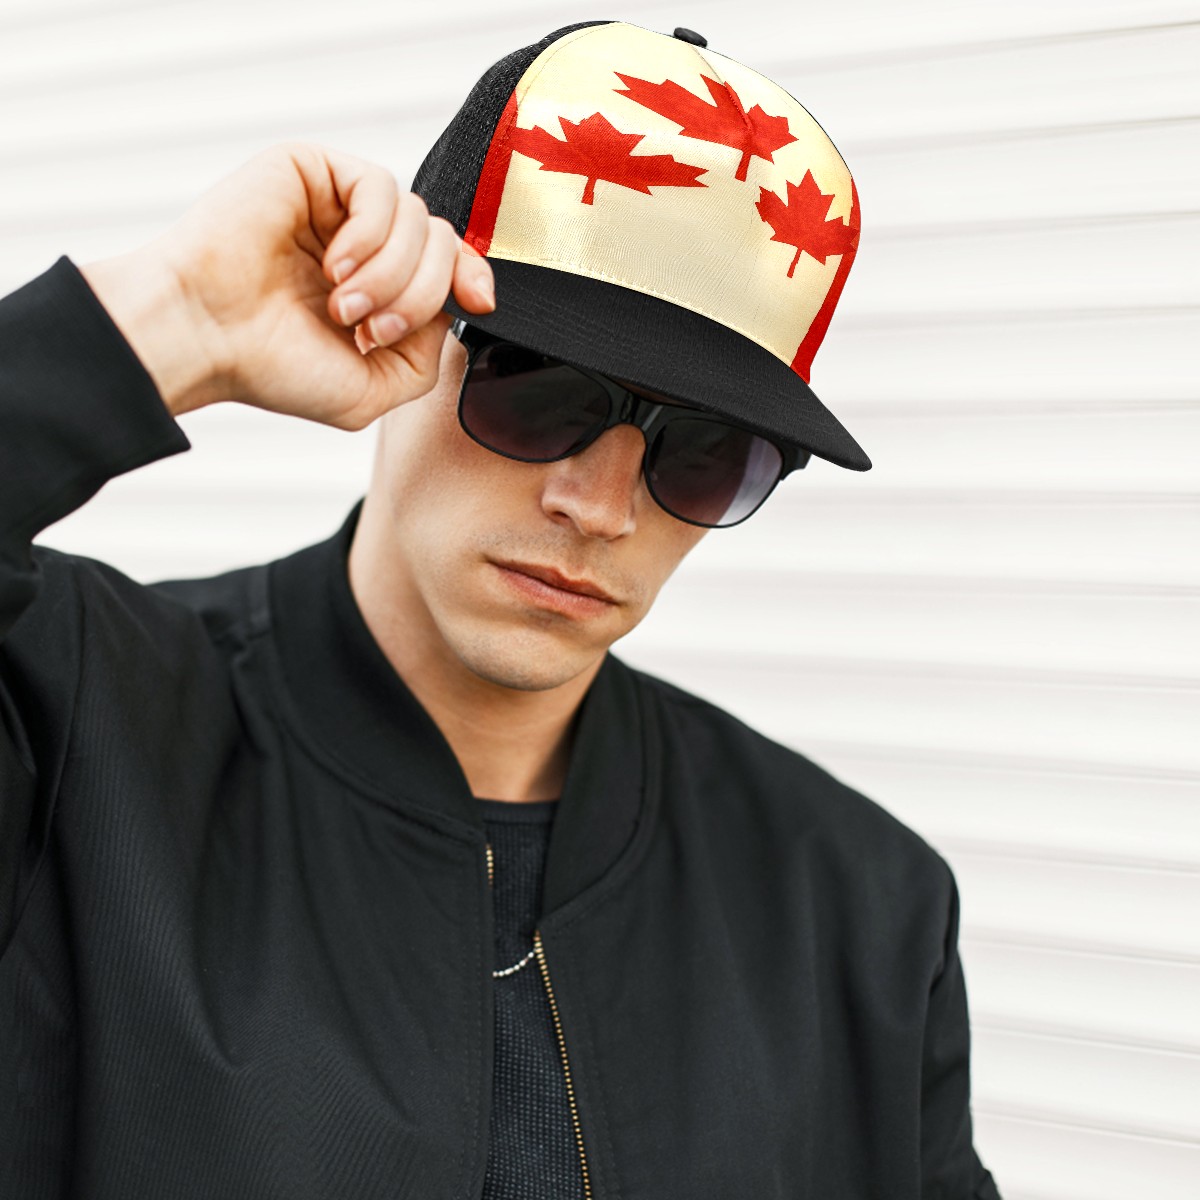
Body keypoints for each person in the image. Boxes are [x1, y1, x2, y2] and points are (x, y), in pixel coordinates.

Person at [0, 19, 1002, 1200]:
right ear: (396, 330)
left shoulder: (858, 908)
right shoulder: (68, 725)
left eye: (707, 454)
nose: (602, 506)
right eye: (540, 388)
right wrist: (169, 318)